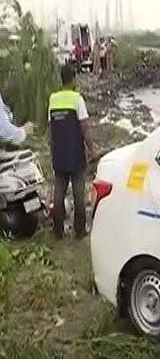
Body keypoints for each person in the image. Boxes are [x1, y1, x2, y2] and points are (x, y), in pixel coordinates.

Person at [48, 64, 96, 240]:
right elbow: (84, 127)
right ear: (74, 78)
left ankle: (58, 231)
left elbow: (51, 129)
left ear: (61, 79)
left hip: (59, 154)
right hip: (75, 154)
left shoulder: (53, 99)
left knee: (58, 193)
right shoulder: (77, 99)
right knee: (78, 194)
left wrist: (51, 151)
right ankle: (79, 230)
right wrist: (92, 150)